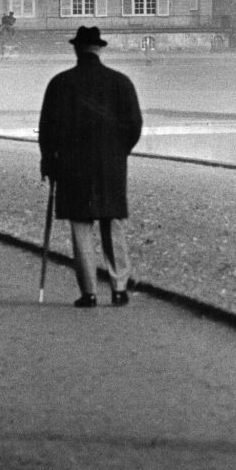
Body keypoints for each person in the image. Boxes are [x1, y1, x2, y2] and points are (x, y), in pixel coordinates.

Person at [38, 26, 143, 307]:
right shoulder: (121, 82)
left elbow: (46, 130)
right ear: (99, 49)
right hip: (111, 163)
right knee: (113, 223)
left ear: (76, 49)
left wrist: (49, 161)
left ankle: (89, 292)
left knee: (81, 226)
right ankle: (119, 287)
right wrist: (120, 151)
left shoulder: (60, 83)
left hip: (73, 165)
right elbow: (134, 125)